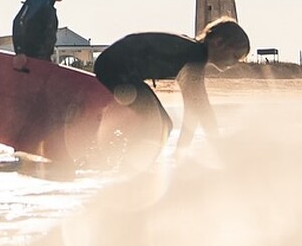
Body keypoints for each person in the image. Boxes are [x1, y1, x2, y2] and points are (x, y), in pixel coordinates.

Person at [92, 19, 251, 155]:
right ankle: (132, 168)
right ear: (218, 43)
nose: (234, 64)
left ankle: (133, 163)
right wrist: (215, 148)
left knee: (164, 124)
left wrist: (182, 149)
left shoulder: (194, 52)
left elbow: (196, 107)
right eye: (235, 56)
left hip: (118, 68)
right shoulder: (195, 56)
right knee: (156, 123)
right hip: (115, 67)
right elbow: (199, 108)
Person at [11, 0, 71, 71]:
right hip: (27, 62)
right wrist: (19, 52)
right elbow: (19, 21)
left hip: (40, 63)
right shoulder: (38, 0)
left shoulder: (50, 9)